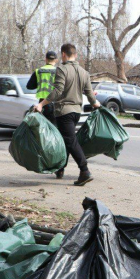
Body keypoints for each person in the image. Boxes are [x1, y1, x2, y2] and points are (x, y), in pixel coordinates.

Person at [34, 43, 99, 186]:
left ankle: (84, 170)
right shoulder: (84, 72)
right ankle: (60, 169)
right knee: (65, 141)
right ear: (75, 55)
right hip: (76, 112)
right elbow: (89, 92)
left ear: (63, 54)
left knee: (70, 141)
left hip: (64, 112)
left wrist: (41, 104)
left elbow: (57, 91)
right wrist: (96, 103)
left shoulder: (62, 69)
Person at [27, 51, 58, 124]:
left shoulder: (38, 71)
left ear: (46, 59)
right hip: (55, 103)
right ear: (56, 60)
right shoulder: (59, 71)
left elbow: (29, 86)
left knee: (43, 128)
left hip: (42, 104)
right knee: (55, 128)